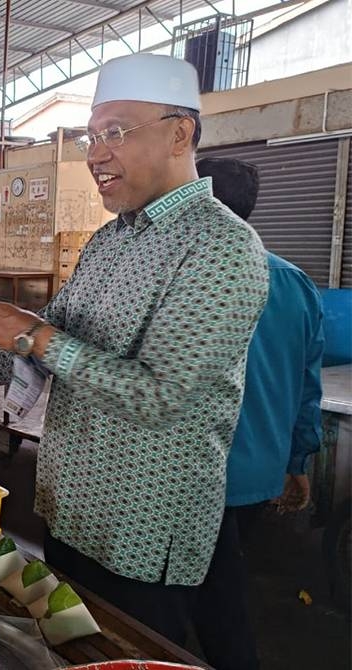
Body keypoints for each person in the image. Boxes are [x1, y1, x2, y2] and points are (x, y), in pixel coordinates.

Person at [0, 53, 268, 645]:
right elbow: (40, 344)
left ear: (180, 133)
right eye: (91, 137)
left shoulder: (221, 246)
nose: (94, 154)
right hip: (72, 509)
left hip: (141, 529)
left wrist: (39, 337)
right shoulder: (108, 241)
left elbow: (159, 397)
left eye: (115, 133)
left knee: (124, 649)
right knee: (67, 646)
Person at [189, 157, 324, 670]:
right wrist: (297, 462)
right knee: (221, 580)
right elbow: (306, 385)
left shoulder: (197, 279)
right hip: (259, 471)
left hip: (197, 472)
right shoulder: (296, 284)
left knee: (197, 597)